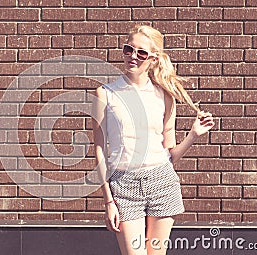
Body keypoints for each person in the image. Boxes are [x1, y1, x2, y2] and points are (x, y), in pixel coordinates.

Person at [91, 25, 215, 255]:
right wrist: (108, 200)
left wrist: (193, 135)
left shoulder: (165, 95)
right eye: (128, 49)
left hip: (161, 181)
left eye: (141, 52)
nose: (132, 57)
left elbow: (171, 154)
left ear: (153, 58)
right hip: (123, 184)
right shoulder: (105, 94)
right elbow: (98, 149)